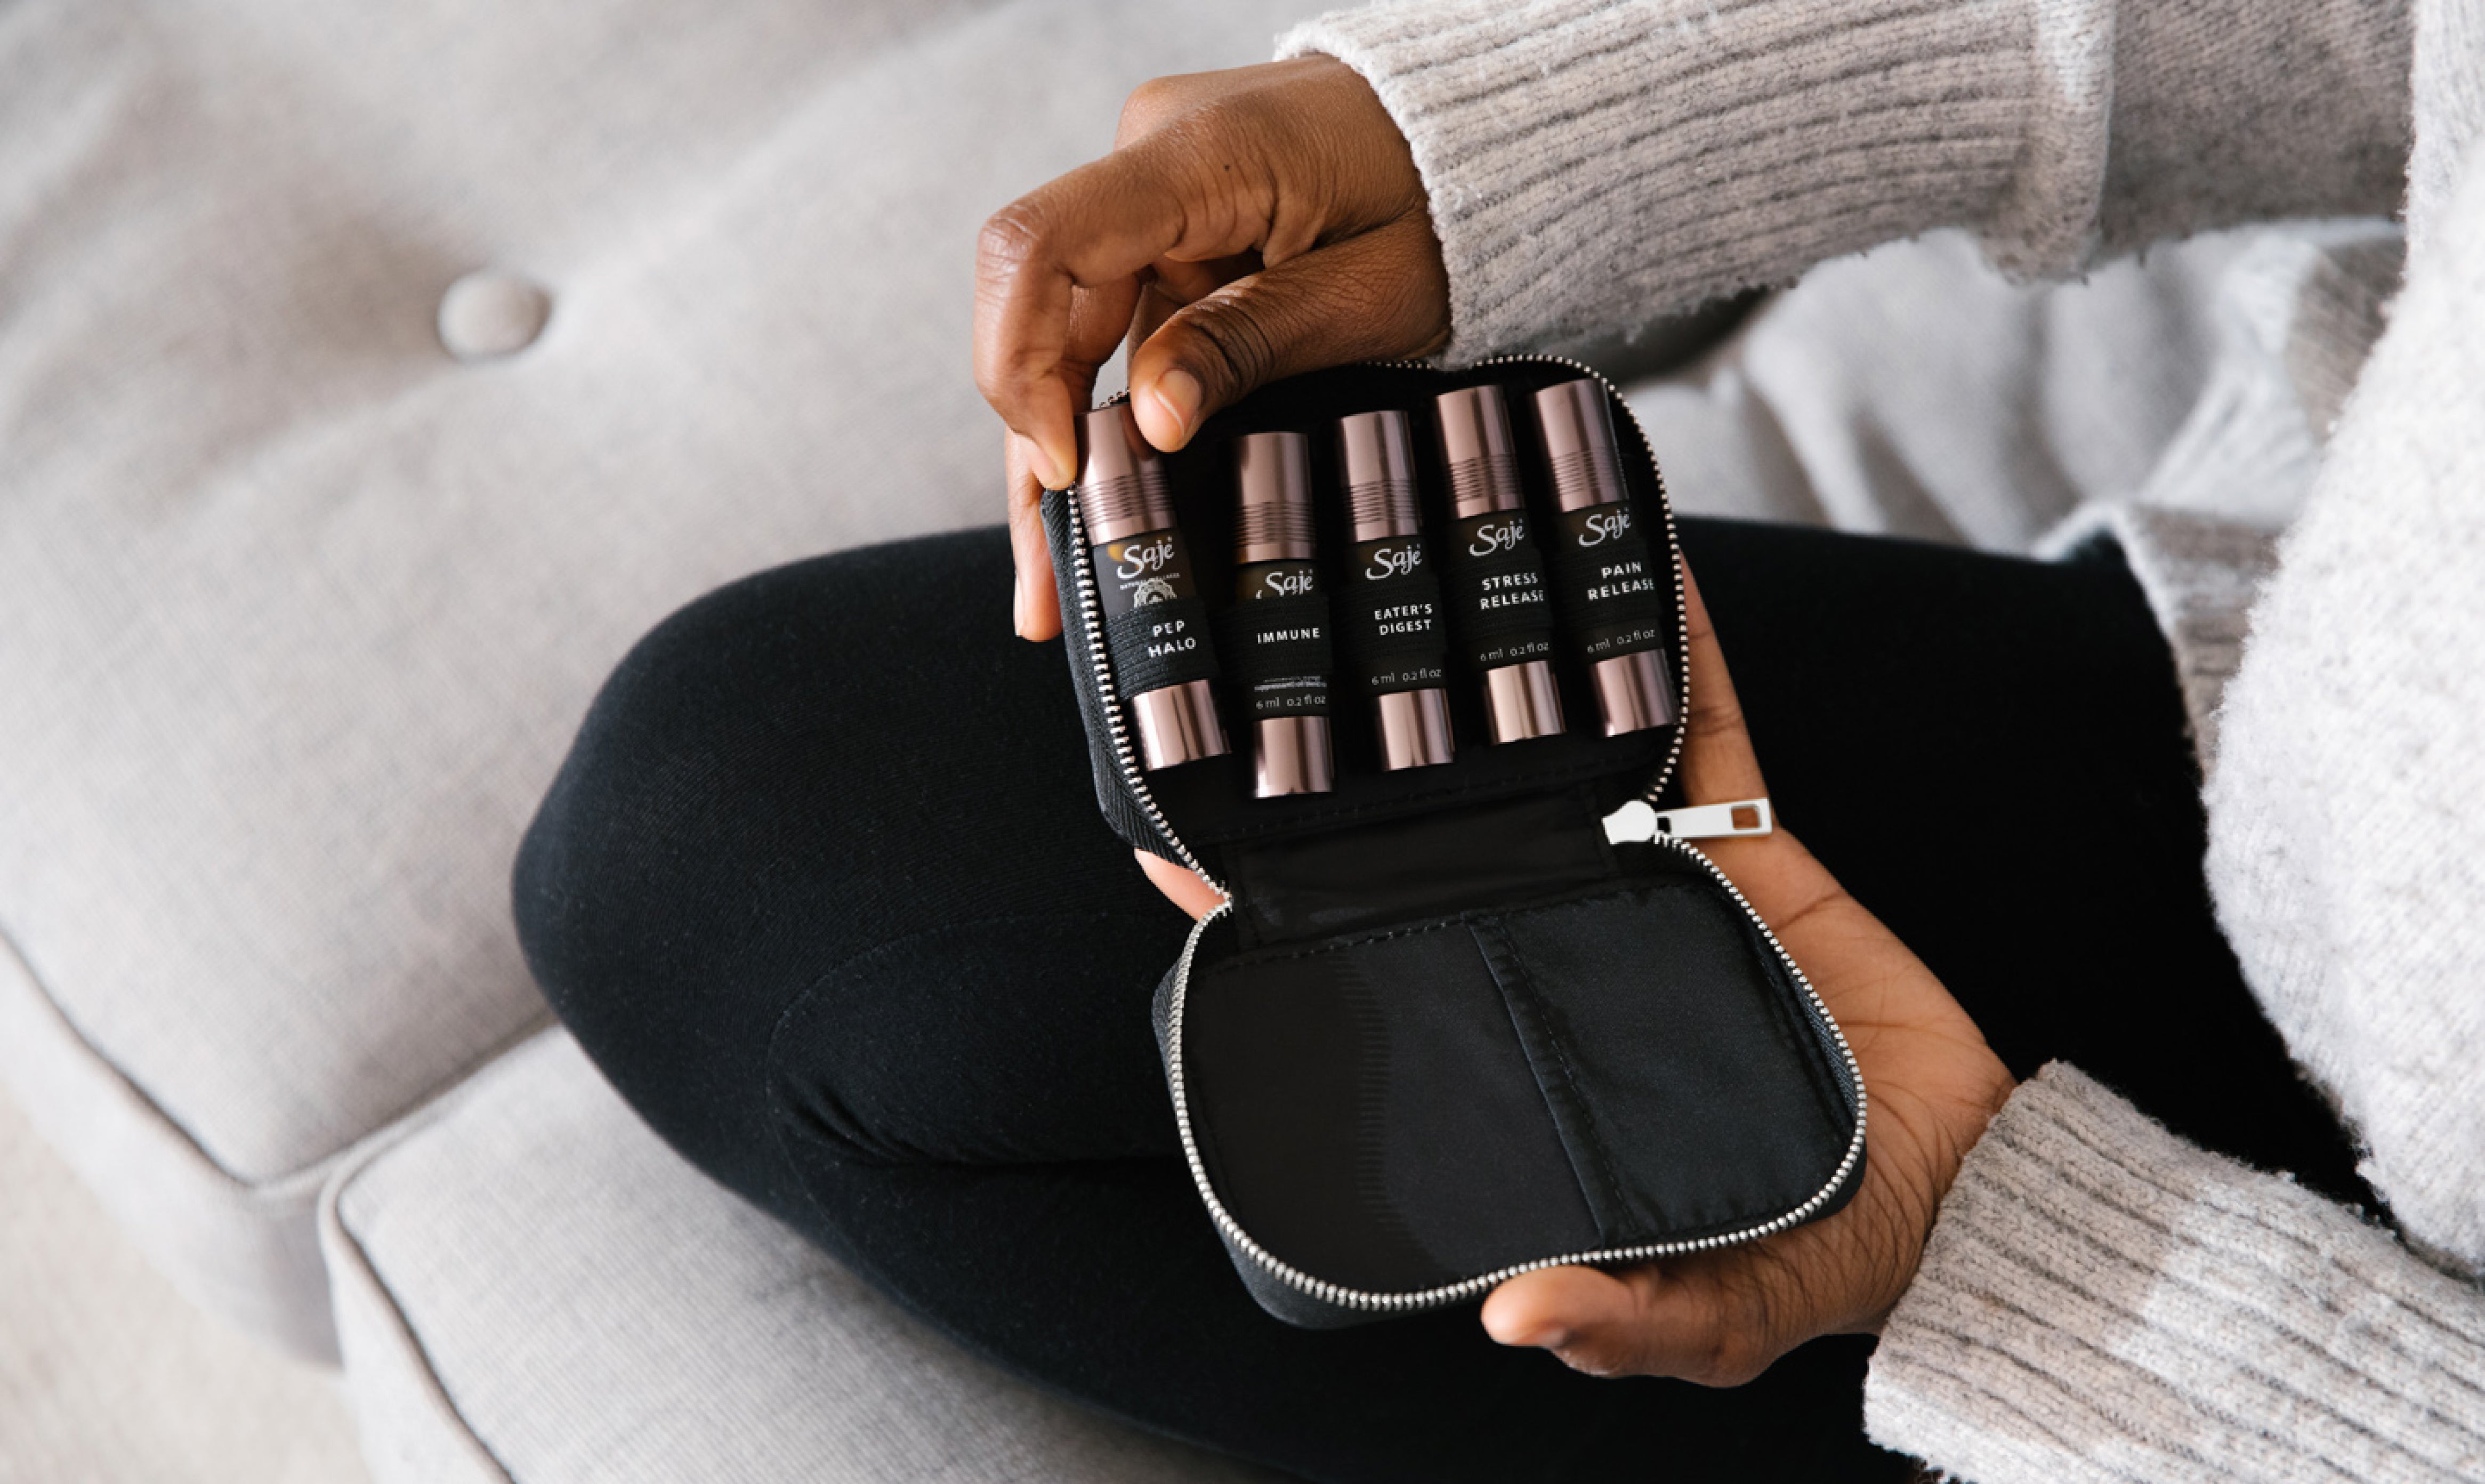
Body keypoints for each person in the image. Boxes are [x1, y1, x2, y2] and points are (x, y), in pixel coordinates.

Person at [516, 1, 2485, 1478]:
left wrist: (2057, 1299)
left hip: (2344, 1350)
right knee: (721, 828)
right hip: (2264, 686)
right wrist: (1512, 140)